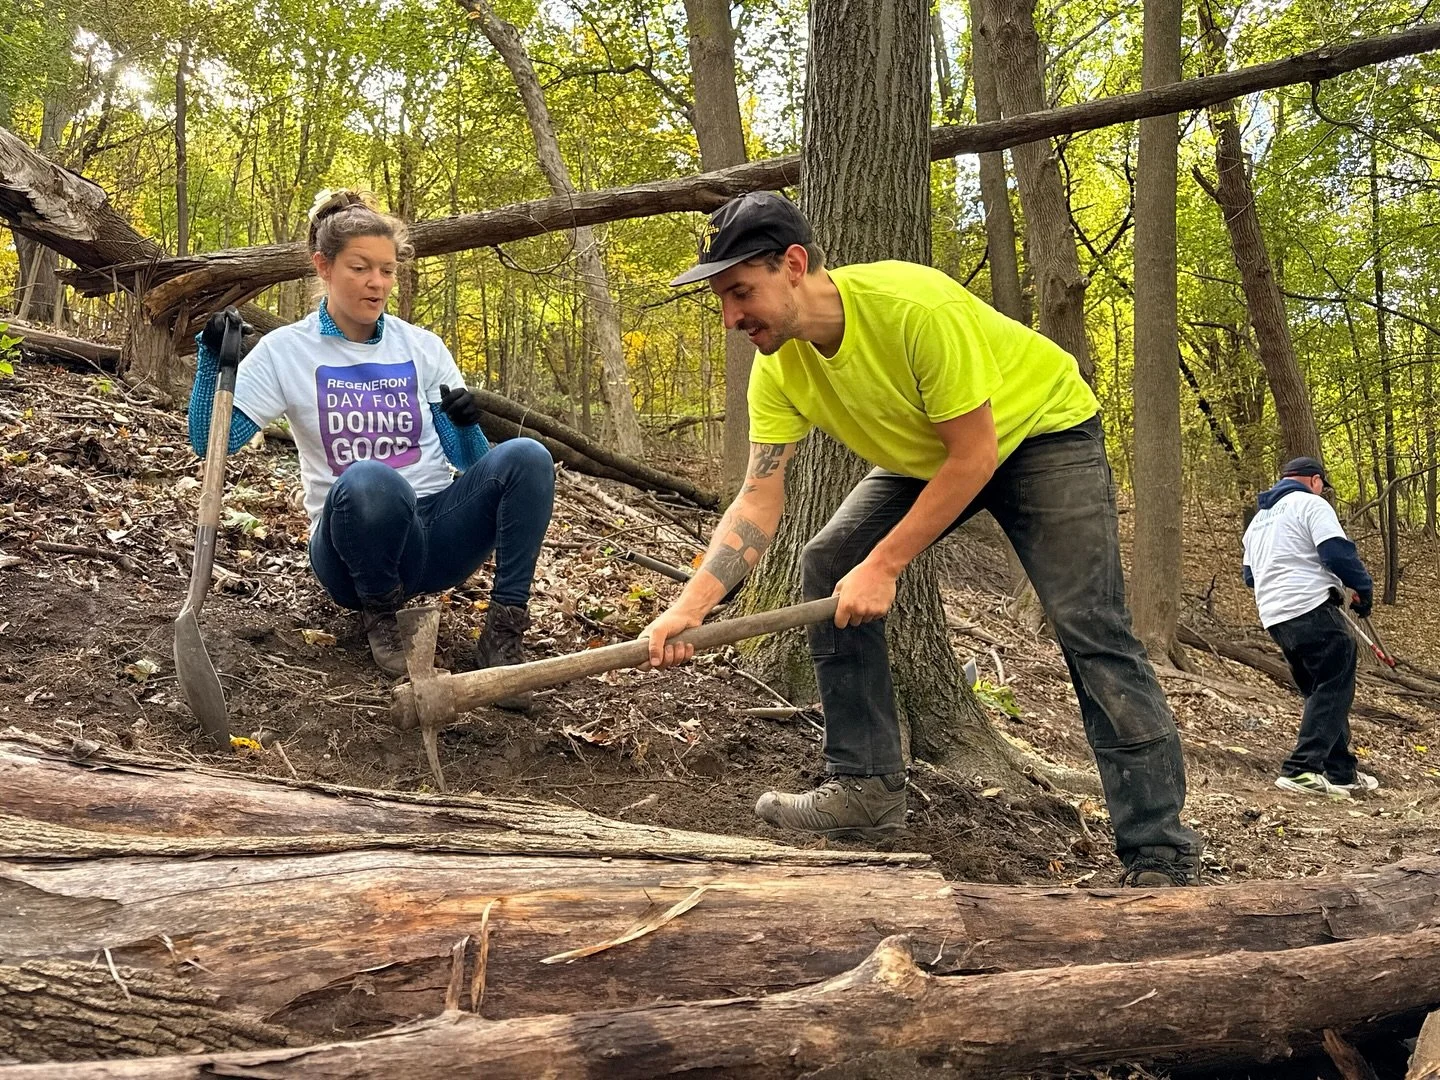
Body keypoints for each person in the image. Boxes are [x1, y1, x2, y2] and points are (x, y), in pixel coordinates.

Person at [642, 191, 1203, 887]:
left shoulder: (913, 307)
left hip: (1042, 431)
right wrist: (691, 604)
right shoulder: (777, 366)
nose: (731, 317)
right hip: (936, 454)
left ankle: (1159, 850)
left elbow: (975, 455)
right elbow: (758, 499)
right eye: (722, 300)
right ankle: (866, 788)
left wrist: (887, 564)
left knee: (1089, 625)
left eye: (740, 292)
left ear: (793, 264)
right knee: (829, 561)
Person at [187, 190, 554, 706]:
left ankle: (503, 634)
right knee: (369, 477)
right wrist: (211, 361)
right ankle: (381, 620)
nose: (376, 283)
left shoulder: (421, 347)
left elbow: (471, 464)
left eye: (387, 270)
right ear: (324, 266)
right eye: (361, 268)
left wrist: (469, 427)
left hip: (434, 539)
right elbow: (210, 443)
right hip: (351, 549)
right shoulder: (285, 351)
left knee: (528, 457)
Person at [1242, 457, 1379, 798]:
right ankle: (1301, 769)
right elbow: (1336, 552)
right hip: (1310, 606)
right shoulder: (1310, 505)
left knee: (1323, 691)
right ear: (1315, 481)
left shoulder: (1258, 521)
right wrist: (1362, 588)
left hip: (1275, 616)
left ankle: (1340, 773)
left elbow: (1249, 576)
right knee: (1334, 685)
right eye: (1323, 486)